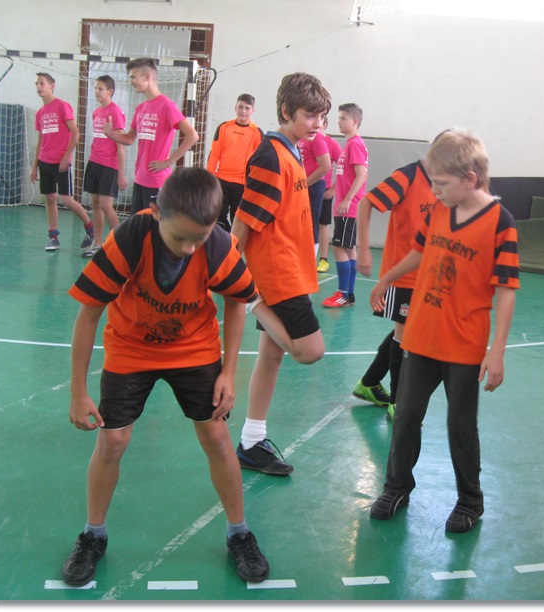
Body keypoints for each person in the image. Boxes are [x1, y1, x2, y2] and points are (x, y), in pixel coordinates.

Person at [61, 167, 270, 586]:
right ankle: (92, 535)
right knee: (112, 441)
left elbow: (236, 300)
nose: (190, 248)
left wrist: (229, 371)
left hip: (194, 348)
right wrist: (78, 391)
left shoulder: (217, 244)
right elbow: (89, 314)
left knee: (216, 437)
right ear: (156, 213)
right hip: (130, 347)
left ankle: (239, 533)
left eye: (199, 239)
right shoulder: (129, 239)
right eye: (180, 238)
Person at [368, 128, 520, 533]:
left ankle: (471, 500)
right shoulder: (438, 210)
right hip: (421, 335)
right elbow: (420, 252)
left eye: (441, 184)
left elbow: (507, 290)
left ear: (470, 178)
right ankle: (396, 487)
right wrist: (387, 278)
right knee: (406, 416)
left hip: (464, 343)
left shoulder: (500, 222)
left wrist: (497, 351)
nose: (434, 191)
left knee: (460, 425)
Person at [230, 72, 330, 475]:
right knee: (309, 350)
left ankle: (251, 441)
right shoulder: (272, 155)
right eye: (310, 115)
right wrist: (232, 271)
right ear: (286, 111)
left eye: (321, 116)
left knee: (271, 354)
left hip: (287, 267)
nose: (318, 124)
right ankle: (252, 302)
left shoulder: (292, 151)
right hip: (277, 272)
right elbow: (245, 218)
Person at [354, 157, 438, 418]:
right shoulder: (408, 176)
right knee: (405, 334)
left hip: (428, 273)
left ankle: (369, 383)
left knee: (409, 329)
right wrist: (363, 249)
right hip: (402, 272)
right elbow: (366, 202)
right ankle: (399, 403)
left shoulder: (445, 181)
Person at [103, 57, 199, 215]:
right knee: (138, 223)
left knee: (156, 226)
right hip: (140, 178)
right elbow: (129, 139)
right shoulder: (141, 108)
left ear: (147, 77)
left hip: (157, 181)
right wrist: (111, 134)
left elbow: (192, 136)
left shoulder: (167, 105)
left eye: (133, 77)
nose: (131, 82)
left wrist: (169, 161)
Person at [30, 72, 94, 252]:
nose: (38, 87)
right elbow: (40, 141)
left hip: (61, 162)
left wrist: (67, 157)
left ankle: (90, 228)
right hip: (44, 161)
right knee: (50, 198)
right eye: (36, 84)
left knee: (66, 200)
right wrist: (34, 167)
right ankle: (53, 237)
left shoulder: (62, 106)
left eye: (42, 83)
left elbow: (75, 133)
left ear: (51, 86)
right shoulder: (40, 113)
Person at [322, 103, 368, 307]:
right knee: (348, 248)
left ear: (354, 121)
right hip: (343, 205)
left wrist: (348, 199)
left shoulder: (355, 144)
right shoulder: (349, 145)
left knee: (338, 247)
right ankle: (348, 294)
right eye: (339, 117)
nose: (339, 121)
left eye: (343, 118)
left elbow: (361, 175)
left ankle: (343, 293)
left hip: (349, 207)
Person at [82, 75, 127, 259]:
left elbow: (121, 145)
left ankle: (122, 244)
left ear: (110, 91)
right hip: (94, 162)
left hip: (109, 165)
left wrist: (121, 174)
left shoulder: (115, 112)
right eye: (95, 88)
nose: (97, 92)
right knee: (95, 203)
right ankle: (98, 243)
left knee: (107, 205)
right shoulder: (96, 113)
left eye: (100, 88)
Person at [206, 93, 263, 231]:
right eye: (240, 107)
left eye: (247, 108)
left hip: (243, 184)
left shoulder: (257, 133)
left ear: (252, 110)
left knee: (237, 220)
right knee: (217, 217)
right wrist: (208, 177)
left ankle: (234, 244)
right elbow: (214, 154)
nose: (243, 111)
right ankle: (223, 240)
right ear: (235, 108)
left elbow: (260, 161)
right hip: (222, 181)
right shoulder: (224, 127)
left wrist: (256, 184)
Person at [298, 113, 332, 257]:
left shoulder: (317, 138)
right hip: (300, 184)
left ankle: (311, 259)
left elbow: (326, 166)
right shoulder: (301, 137)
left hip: (314, 185)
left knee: (312, 223)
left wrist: (304, 184)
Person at [316, 117, 343, 273]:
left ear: (325, 125)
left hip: (323, 189)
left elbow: (344, 168)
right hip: (306, 188)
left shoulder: (331, 144)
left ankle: (323, 260)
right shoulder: (304, 141)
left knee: (322, 224)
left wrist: (333, 189)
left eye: (319, 122)